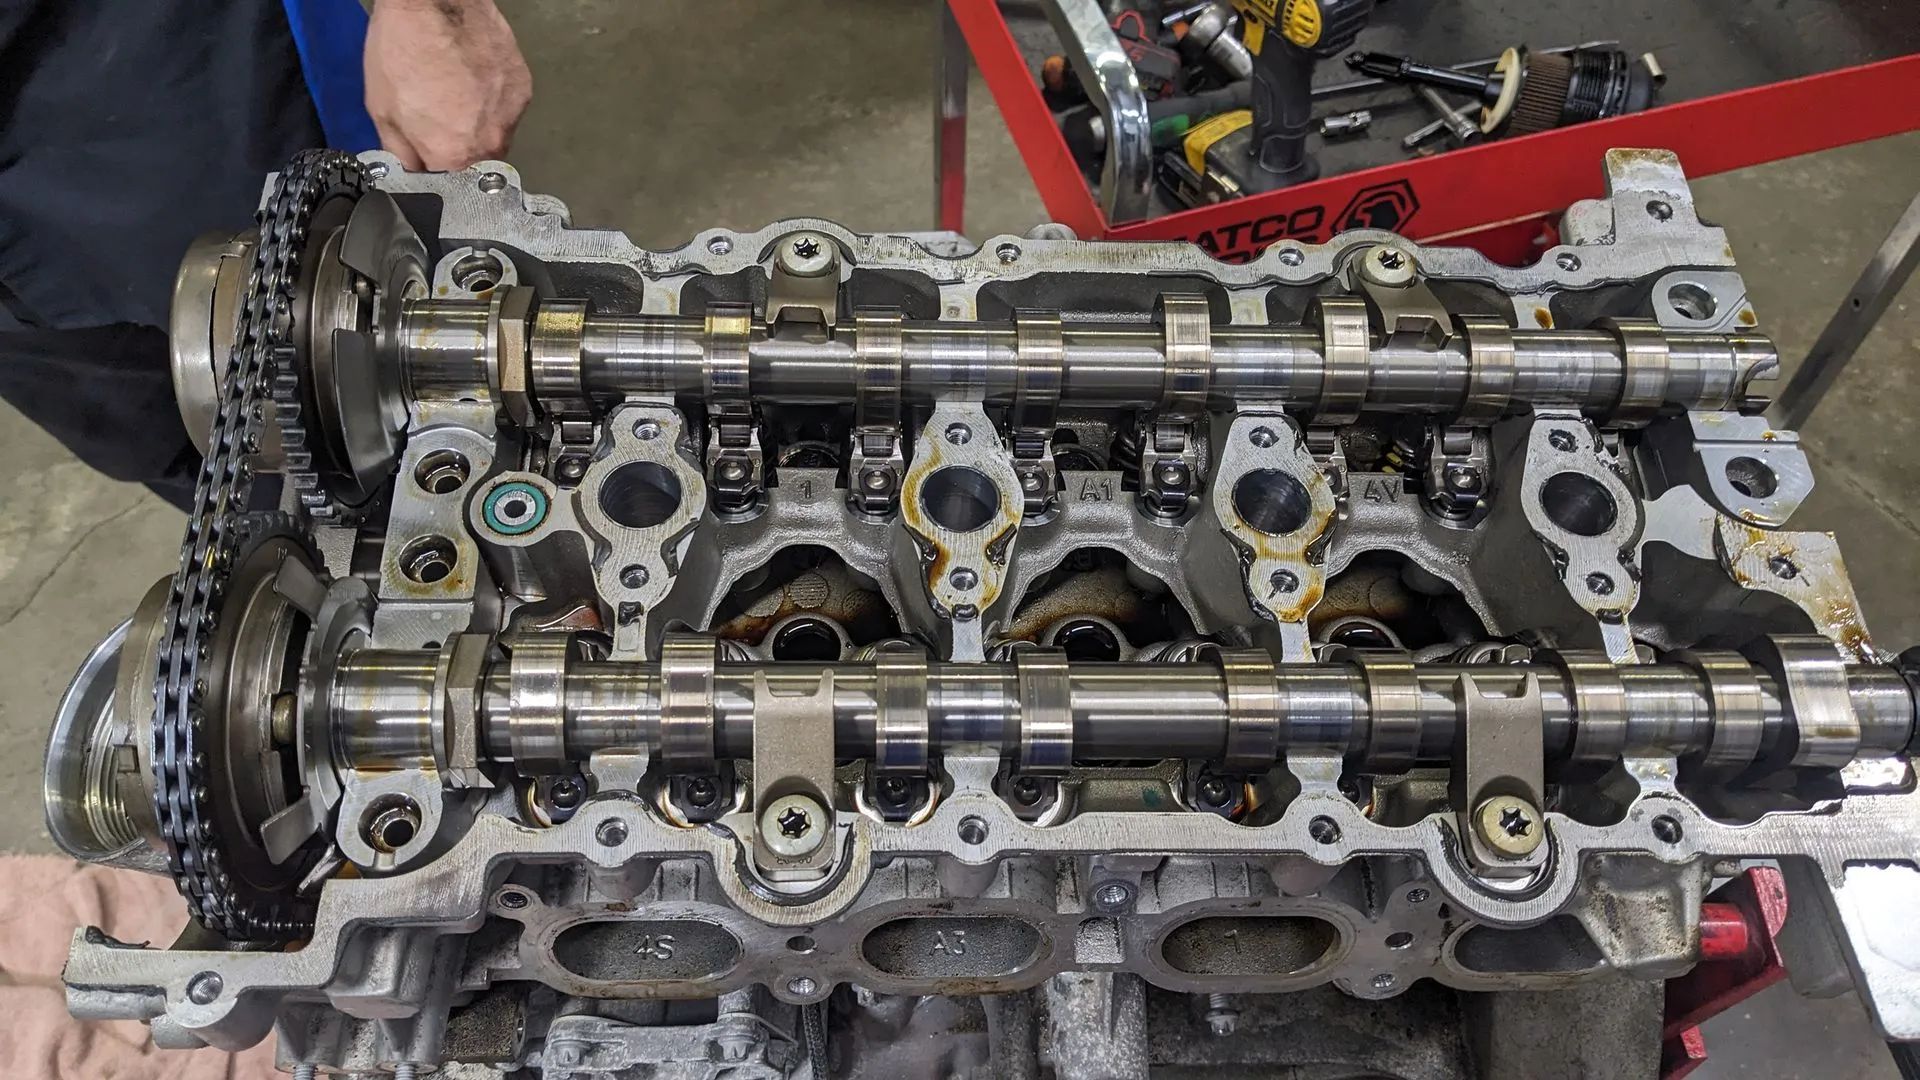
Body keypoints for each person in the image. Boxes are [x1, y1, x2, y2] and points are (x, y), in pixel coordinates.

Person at [0, 0, 532, 508]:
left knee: (381, 297)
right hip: (27, 327)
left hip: (175, 78)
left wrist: (435, 12)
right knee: (194, 459)